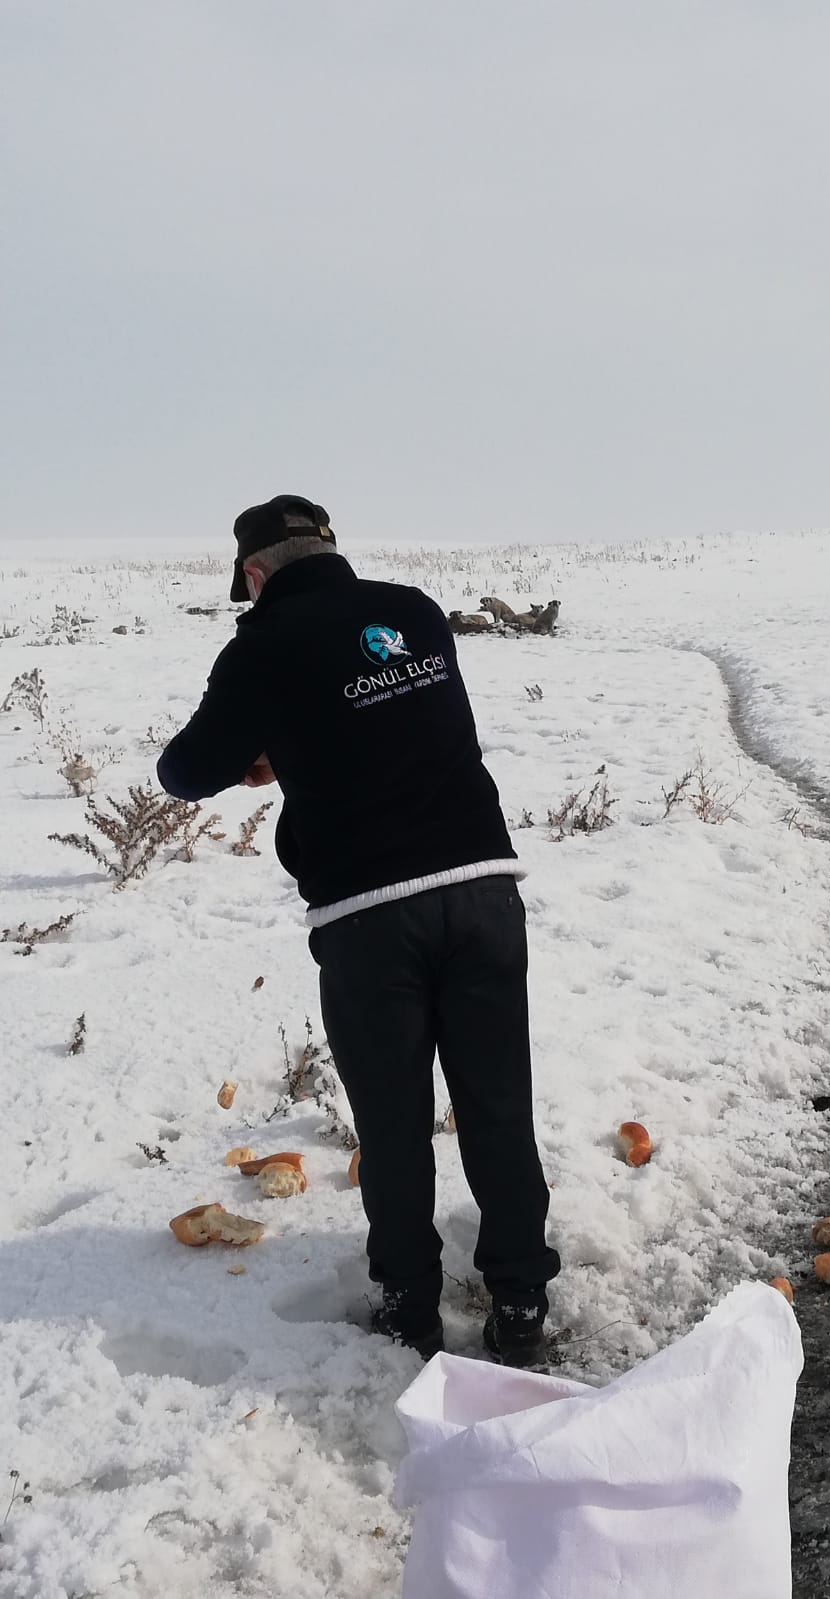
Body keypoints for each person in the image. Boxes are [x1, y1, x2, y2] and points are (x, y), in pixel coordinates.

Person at [158, 494, 560, 1366]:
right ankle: (522, 1298)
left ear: (255, 574)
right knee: (498, 1102)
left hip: (371, 917)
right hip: (485, 886)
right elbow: (390, 721)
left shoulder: (262, 645)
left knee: (392, 1119)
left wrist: (265, 748)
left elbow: (185, 770)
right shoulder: (413, 612)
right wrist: (295, 739)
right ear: (330, 549)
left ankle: (410, 1306)